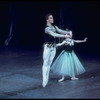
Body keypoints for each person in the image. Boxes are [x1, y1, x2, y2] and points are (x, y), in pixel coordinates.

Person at [42, 13, 72, 87]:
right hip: (47, 47)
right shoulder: (47, 28)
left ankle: (47, 77)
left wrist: (68, 32)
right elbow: (54, 35)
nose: (52, 19)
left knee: (50, 63)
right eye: (51, 18)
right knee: (45, 63)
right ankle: (44, 78)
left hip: (53, 47)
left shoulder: (54, 26)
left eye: (52, 17)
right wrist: (64, 36)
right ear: (47, 20)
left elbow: (60, 31)